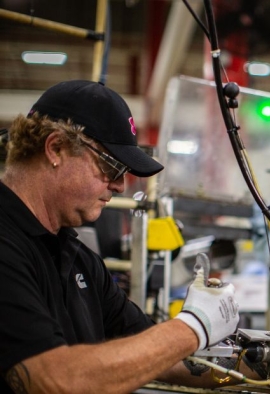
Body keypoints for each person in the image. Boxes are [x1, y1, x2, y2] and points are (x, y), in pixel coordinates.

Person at [0, 80, 255, 394]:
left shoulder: (80, 261)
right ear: (56, 148)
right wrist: (193, 326)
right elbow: (53, 378)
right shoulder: (6, 245)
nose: (120, 186)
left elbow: (161, 357)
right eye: (112, 166)